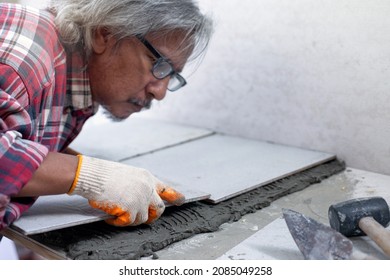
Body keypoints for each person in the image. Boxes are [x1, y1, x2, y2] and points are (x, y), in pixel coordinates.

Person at [0, 0, 213, 235]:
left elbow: (24, 139)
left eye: (171, 75)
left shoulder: (77, 85)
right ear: (105, 34)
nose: (160, 92)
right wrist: (92, 176)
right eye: (159, 64)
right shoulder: (26, 56)